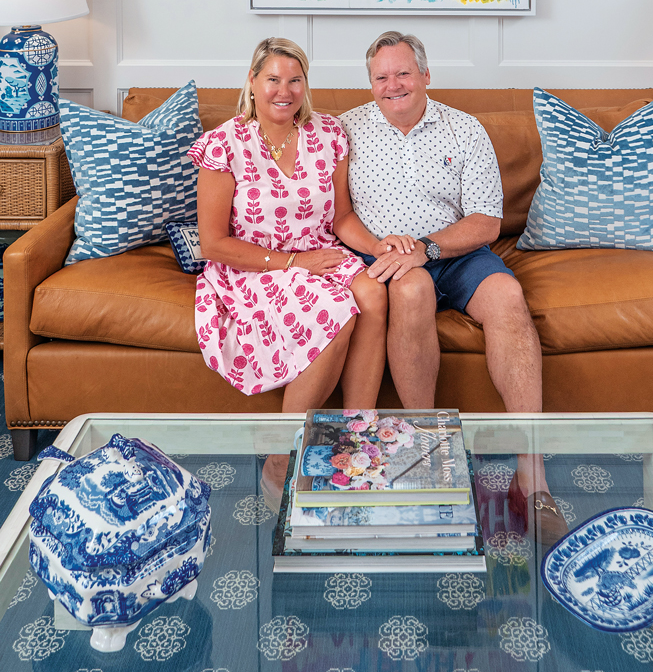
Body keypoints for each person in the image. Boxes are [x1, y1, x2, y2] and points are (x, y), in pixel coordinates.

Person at [336, 30, 568, 545]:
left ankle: (532, 476)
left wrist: (427, 247)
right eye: (381, 77)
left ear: (425, 74)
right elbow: (339, 215)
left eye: (403, 73)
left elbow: (486, 221)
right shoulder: (345, 130)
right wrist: (387, 249)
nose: (393, 84)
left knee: (508, 296)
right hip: (386, 258)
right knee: (412, 289)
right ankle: (430, 453)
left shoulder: (464, 129)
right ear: (370, 83)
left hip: (455, 252)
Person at [190, 36, 393, 413]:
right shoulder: (224, 144)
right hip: (254, 265)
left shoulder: (329, 133)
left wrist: (377, 247)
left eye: (295, 80)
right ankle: (288, 443)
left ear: (305, 84)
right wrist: (295, 263)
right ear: (252, 81)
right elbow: (213, 243)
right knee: (336, 308)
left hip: (321, 254)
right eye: (273, 80)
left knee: (373, 293)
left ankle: (358, 427)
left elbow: (342, 217)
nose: (284, 91)